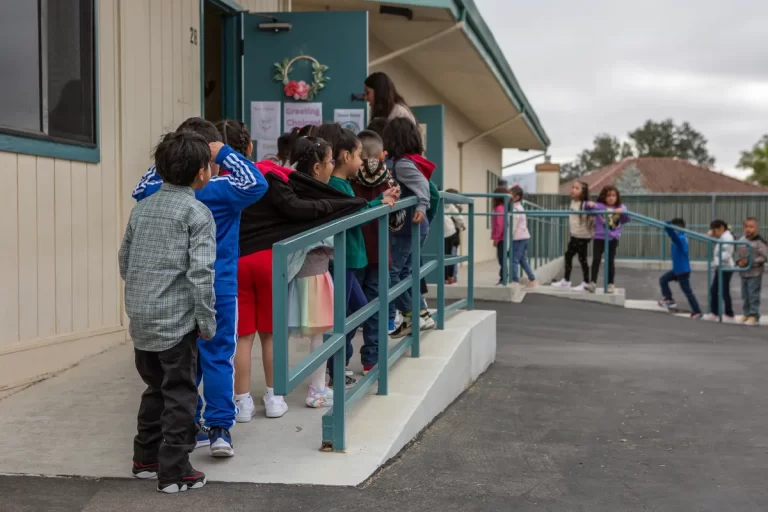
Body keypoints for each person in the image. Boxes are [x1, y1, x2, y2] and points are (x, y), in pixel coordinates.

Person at [132, 118, 269, 458]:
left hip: (177, 289)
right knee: (219, 355)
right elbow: (257, 183)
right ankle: (221, 427)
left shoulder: (158, 193)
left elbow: (140, 189)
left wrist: (169, 157)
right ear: (208, 162)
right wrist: (225, 153)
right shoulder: (223, 190)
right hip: (219, 287)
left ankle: (189, 423)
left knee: (184, 359)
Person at [235, 140, 367, 419]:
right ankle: (282, 395)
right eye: (330, 162)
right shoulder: (292, 187)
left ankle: (242, 402)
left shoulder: (246, 180)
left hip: (244, 262)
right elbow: (311, 220)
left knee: (243, 337)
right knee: (277, 335)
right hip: (287, 267)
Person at [120, 131, 215, 493]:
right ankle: (175, 471)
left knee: (154, 388)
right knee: (180, 394)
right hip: (176, 323)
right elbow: (201, 273)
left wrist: (142, 295)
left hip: (141, 318)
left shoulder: (142, 208)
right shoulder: (197, 213)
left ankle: (144, 459)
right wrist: (207, 321)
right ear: (202, 172)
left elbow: (125, 260)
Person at [327, 128, 398, 384]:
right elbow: (355, 214)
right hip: (351, 258)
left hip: (354, 258)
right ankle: (344, 368)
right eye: (357, 156)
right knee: (350, 315)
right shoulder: (341, 184)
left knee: (357, 311)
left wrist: (379, 200)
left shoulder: (346, 183)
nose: (361, 162)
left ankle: (339, 365)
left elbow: (355, 208)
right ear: (346, 156)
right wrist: (381, 201)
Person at [284, 137, 336, 407]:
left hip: (293, 272)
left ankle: (279, 388)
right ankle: (316, 389)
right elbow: (326, 239)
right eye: (330, 162)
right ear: (317, 168)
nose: (333, 167)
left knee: (289, 332)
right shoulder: (320, 197)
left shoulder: (288, 190)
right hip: (315, 273)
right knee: (320, 334)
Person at [350, 130, 402, 374]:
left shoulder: (350, 178)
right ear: (381, 154)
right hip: (381, 253)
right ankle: (371, 361)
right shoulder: (389, 182)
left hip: (353, 253)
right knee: (376, 308)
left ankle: (338, 366)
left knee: (348, 310)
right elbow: (396, 223)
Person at [383, 118, 435, 338]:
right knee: (406, 271)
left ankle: (411, 313)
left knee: (391, 272)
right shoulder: (408, 161)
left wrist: (422, 205)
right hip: (414, 225)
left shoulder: (402, 164)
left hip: (409, 225)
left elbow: (423, 188)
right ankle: (418, 315)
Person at [584, 186, 630, 293]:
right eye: (608, 195)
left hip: (612, 238)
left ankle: (610, 284)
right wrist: (589, 204)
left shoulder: (620, 207)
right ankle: (593, 283)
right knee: (596, 260)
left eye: (613, 195)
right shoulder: (600, 206)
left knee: (610, 261)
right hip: (600, 237)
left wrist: (621, 211)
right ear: (604, 197)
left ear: (617, 197)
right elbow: (587, 206)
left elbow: (626, 216)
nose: (611, 198)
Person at [551, 181, 593, 291]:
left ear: (583, 192)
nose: (573, 189)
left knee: (580, 258)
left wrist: (592, 232)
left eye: (577, 188)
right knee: (570, 256)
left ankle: (584, 282)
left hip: (582, 236)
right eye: (573, 187)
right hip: (575, 235)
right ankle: (567, 280)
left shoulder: (585, 204)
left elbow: (593, 217)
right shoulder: (573, 202)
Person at [657, 218, 702, 319]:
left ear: (677, 228)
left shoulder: (681, 238)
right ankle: (669, 299)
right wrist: (668, 227)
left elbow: (673, 236)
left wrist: (668, 227)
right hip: (678, 270)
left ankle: (697, 311)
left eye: (674, 228)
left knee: (688, 292)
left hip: (682, 271)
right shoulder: (681, 237)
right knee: (663, 280)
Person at [735, 217, 767, 325]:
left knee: (753, 294)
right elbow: (739, 254)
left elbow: (764, 257)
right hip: (744, 272)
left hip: (755, 272)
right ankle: (746, 313)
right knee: (745, 294)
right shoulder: (741, 240)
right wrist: (739, 261)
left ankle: (754, 315)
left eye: (751, 227)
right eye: (746, 226)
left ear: (756, 228)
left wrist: (751, 261)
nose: (748, 229)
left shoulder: (760, 242)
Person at [703, 220, 735, 321]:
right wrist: (711, 236)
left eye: (714, 230)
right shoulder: (723, 236)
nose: (713, 232)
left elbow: (725, 255)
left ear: (721, 228)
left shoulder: (727, 238)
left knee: (723, 291)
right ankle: (715, 312)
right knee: (715, 290)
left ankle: (729, 314)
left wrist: (716, 263)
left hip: (725, 267)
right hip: (721, 267)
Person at [509, 186, 536, 287]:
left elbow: (513, 225)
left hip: (518, 237)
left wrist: (509, 237)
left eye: (510, 194)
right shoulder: (518, 207)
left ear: (516, 197)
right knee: (521, 259)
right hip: (523, 237)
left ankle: (514, 280)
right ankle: (532, 279)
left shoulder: (516, 209)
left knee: (514, 259)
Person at [444, 192, 465, 285]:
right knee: (449, 255)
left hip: (440, 231)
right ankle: (450, 277)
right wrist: (463, 225)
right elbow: (459, 218)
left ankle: (444, 277)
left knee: (442, 255)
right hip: (450, 232)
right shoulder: (451, 206)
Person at [490, 186, 508, 285]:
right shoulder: (503, 207)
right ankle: (503, 277)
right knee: (502, 258)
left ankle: (503, 278)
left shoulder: (499, 208)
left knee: (502, 258)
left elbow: (499, 224)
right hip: (503, 237)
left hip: (501, 238)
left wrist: (496, 238)